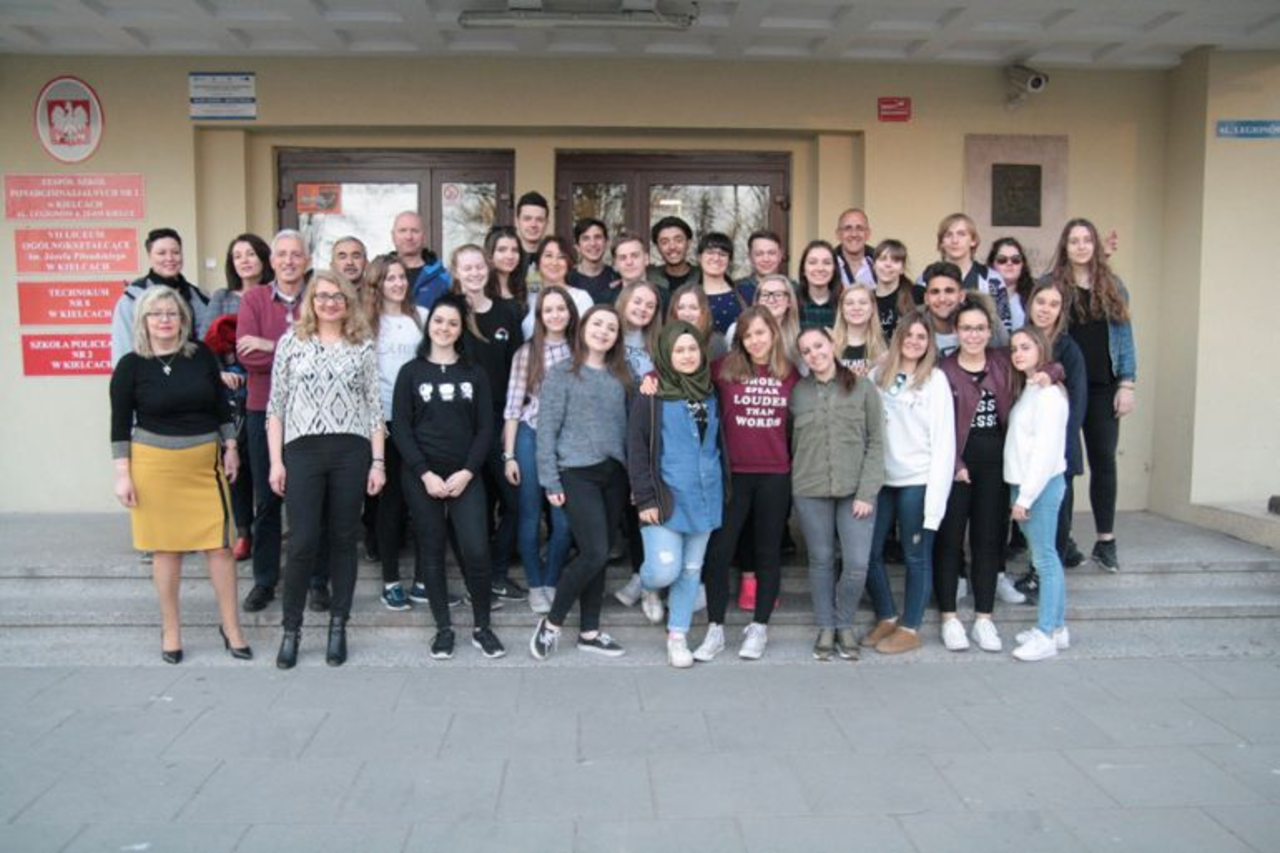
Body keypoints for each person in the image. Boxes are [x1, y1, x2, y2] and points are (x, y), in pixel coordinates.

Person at [110, 286, 251, 663]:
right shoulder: (130, 366)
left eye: (171, 313)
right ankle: (171, 629)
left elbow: (221, 406)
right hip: (154, 467)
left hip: (204, 465)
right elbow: (119, 425)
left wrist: (231, 447)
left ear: (183, 319)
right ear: (143, 320)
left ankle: (232, 627)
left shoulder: (200, 355)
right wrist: (122, 473)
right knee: (167, 549)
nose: (164, 320)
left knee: (220, 548)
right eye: (156, 314)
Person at [268, 270, 386, 669]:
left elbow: (374, 407)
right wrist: (275, 461)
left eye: (337, 296)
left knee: (343, 539)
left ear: (348, 302)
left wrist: (378, 462)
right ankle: (291, 630)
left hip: (351, 450)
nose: (330, 303)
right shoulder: (291, 342)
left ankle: (339, 626)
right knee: (302, 540)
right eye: (322, 296)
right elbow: (276, 407)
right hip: (302, 450)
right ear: (311, 302)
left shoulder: (362, 345)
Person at [392, 294, 506, 660]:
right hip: (422, 476)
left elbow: (486, 428)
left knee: (476, 549)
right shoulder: (410, 372)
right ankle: (443, 629)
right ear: (430, 325)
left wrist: (468, 471)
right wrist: (424, 473)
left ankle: (482, 627)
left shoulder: (475, 373)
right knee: (432, 550)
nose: (444, 328)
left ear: (461, 330)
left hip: (465, 475)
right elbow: (401, 428)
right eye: (439, 321)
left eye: (453, 323)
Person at [697, 307, 799, 661]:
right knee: (719, 551)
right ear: (740, 339)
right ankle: (715, 629)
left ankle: (759, 627)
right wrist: (650, 380)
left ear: (773, 334)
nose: (755, 340)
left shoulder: (789, 373)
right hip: (733, 475)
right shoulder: (722, 369)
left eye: (761, 333)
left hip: (775, 474)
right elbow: (681, 376)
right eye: (748, 335)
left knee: (767, 552)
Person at [530, 305, 632, 660]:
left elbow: (633, 426)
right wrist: (550, 481)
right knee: (595, 551)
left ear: (617, 337)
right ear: (584, 327)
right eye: (597, 324)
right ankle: (552, 623)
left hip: (614, 474)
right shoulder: (561, 373)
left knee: (599, 554)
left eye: (611, 328)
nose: (603, 332)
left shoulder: (623, 375)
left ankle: (589, 631)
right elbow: (546, 430)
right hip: (576, 472)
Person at [627, 321, 726, 667]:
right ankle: (647, 584)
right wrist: (645, 497)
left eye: (692, 349)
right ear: (667, 355)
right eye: (679, 350)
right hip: (665, 497)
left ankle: (677, 636)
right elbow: (637, 448)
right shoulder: (651, 394)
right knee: (664, 570)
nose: (686, 355)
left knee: (691, 570)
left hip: (706, 496)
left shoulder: (711, 391)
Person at [934, 296, 1027, 655]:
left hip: (996, 468)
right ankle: (949, 618)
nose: (973, 335)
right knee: (949, 542)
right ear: (956, 332)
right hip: (955, 465)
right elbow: (936, 426)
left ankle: (984, 619)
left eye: (979, 328)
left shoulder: (1003, 362)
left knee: (989, 542)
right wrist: (956, 463)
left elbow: (1049, 364)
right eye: (966, 328)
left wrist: (1049, 374)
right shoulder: (943, 370)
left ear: (990, 331)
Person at [863, 312, 955, 654]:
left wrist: (936, 498)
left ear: (929, 343)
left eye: (922, 337)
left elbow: (944, 441)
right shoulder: (878, 376)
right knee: (868, 551)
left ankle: (910, 626)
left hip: (918, 479)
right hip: (882, 479)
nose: (914, 342)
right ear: (898, 338)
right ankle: (887, 615)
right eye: (909, 335)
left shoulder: (935, 380)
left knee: (916, 555)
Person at [790, 326, 884, 661]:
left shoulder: (862, 387)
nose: (814, 354)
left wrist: (867, 492)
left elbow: (876, 442)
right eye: (806, 351)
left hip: (855, 490)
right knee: (821, 560)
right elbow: (788, 440)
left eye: (819, 345)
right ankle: (826, 627)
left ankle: (844, 622)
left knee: (857, 563)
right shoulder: (797, 392)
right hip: (810, 487)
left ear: (832, 344)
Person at [1049, 217, 1136, 572]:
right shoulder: (1052, 285)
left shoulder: (1113, 286)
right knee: (1065, 465)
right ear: (1065, 246)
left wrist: (1127, 383)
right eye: (1074, 240)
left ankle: (1105, 541)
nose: (1081, 246)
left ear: (1095, 245)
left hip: (1104, 387)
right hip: (1065, 388)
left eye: (1087, 240)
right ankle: (1065, 540)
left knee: (1104, 461)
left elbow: (1125, 337)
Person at [237, 229, 312, 612]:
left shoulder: (318, 298)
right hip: (263, 411)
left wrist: (271, 344)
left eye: (296, 254)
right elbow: (247, 358)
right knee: (267, 501)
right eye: (281, 254)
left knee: (310, 500)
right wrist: (296, 347)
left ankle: (316, 580)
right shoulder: (253, 299)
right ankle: (265, 581)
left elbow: (325, 353)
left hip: (312, 415)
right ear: (272, 261)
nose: (288, 261)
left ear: (307, 260)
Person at [452, 244, 527, 602]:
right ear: (456, 272)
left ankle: (497, 572)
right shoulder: (450, 310)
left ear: (488, 268)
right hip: (462, 421)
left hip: (499, 419)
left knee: (513, 501)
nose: (474, 273)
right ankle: (476, 580)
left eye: (479, 266)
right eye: (466, 268)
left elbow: (518, 368)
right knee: (474, 505)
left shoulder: (507, 312)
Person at [503, 287, 580, 614]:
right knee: (530, 515)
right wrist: (509, 455)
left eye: (561, 308)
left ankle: (550, 580)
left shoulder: (582, 349)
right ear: (540, 316)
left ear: (570, 312)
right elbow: (512, 407)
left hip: (569, 444)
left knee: (564, 522)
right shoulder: (527, 352)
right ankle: (535, 585)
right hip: (530, 436)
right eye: (548, 310)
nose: (555, 315)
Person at [1013, 280, 1090, 600]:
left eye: (1053, 304)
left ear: (1061, 310)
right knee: (1033, 521)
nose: (1045, 309)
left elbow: (1077, 404)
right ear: (1029, 303)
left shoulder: (1068, 349)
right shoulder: (1021, 342)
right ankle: (1037, 570)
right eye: (1040, 302)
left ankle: (1046, 581)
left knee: (1056, 520)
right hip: (1024, 453)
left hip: (1057, 453)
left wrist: (1057, 451)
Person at [366, 254, 427, 612]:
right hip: (384, 423)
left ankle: (423, 581)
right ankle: (391, 581)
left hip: (420, 422)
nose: (398, 283)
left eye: (402, 277)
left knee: (421, 502)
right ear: (377, 283)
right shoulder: (365, 322)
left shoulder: (420, 317)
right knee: (390, 504)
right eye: (390, 278)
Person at [1006, 326, 1071, 661]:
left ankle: (1046, 633)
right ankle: (1057, 628)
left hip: (1039, 487)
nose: (1018, 353)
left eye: (1025, 347)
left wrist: (1025, 497)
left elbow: (1045, 453)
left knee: (1045, 559)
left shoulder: (1048, 396)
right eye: (1014, 348)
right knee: (1044, 557)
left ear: (1041, 349)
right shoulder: (1032, 387)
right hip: (1027, 484)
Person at [208, 232, 273, 561]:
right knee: (238, 462)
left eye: (250, 254)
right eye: (238, 256)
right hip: (233, 392)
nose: (245, 260)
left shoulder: (275, 295)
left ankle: (270, 527)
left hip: (268, 388)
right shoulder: (221, 298)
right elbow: (205, 343)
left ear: (263, 258)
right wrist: (219, 372)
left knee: (270, 464)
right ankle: (244, 531)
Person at [610, 280, 664, 616]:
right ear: (624, 301)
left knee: (642, 508)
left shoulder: (658, 344)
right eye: (637, 301)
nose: (642, 309)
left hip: (645, 439)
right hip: (610, 436)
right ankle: (638, 577)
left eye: (650, 305)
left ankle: (649, 584)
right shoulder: (607, 335)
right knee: (620, 511)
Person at [112, 228, 212, 365]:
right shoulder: (132, 298)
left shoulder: (199, 297)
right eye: (161, 253)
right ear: (149, 256)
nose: (170, 258)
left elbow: (208, 342)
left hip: (193, 372)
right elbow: (122, 350)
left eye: (175, 252)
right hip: (147, 374)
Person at [929, 213, 1011, 331]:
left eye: (961, 234)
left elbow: (1004, 327)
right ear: (941, 243)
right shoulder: (926, 279)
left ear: (973, 240)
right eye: (948, 235)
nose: (955, 240)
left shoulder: (992, 280)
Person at [521, 236, 593, 338]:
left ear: (568, 263)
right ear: (538, 261)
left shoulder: (581, 298)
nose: (554, 262)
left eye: (561, 257)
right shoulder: (529, 296)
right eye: (548, 255)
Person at [391, 211, 451, 309]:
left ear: (424, 236)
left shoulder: (443, 277)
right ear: (393, 236)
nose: (409, 237)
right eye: (402, 231)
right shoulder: (379, 275)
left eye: (415, 231)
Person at [697, 231, 752, 335]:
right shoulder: (689, 296)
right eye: (710, 252)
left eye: (722, 254)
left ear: (729, 260)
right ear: (699, 257)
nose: (716, 258)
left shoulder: (746, 293)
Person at [869, 239, 921, 342]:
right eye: (883, 259)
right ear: (874, 265)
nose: (888, 264)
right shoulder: (866, 298)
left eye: (895, 261)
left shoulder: (917, 293)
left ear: (902, 269)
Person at [831, 282, 887, 376]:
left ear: (873, 308)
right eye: (849, 303)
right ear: (841, 309)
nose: (856, 308)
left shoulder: (885, 344)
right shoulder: (828, 344)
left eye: (863, 303)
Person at [668, 282, 727, 360]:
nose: (687, 314)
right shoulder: (665, 341)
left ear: (703, 311)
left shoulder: (715, 342)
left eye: (693, 308)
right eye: (681, 307)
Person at [987, 237, 1035, 331]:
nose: (1009, 263)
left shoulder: (1034, 294)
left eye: (1015, 259)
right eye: (1002, 259)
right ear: (992, 264)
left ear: (1022, 264)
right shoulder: (982, 291)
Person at [919, 261, 965, 358]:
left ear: (961, 296)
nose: (942, 299)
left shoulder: (983, 326)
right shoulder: (910, 332)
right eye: (935, 292)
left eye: (949, 291)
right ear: (926, 298)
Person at [568, 217, 618, 304]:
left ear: (606, 243)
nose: (593, 243)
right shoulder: (568, 280)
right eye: (586, 238)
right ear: (577, 247)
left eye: (598, 237)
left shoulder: (616, 278)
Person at [796, 240, 841, 330]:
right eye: (813, 262)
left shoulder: (844, 304)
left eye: (827, 263)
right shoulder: (792, 304)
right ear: (803, 269)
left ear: (834, 269)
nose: (820, 268)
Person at [648, 216, 698, 296]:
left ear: (688, 243)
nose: (672, 247)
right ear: (657, 247)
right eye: (664, 242)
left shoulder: (702, 277)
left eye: (678, 240)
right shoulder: (649, 279)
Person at [484, 224, 528, 306]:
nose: (510, 256)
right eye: (502, 250)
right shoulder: (481, 291)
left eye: (515, 250)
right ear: (490, 254)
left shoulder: (521, 289)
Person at [834, 208, 876, 288]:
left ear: (868, 234)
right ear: (838, 234)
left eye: (859, 228)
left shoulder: (880, 264)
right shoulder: (828, 265)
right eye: (848, 228)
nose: (854, 234)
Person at [515, 191, 550, 259]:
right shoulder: (507, 260)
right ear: (517, 222)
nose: (533, 225)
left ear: (546, 223)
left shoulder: (553, 261)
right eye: (527, 219)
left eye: (539, 220)